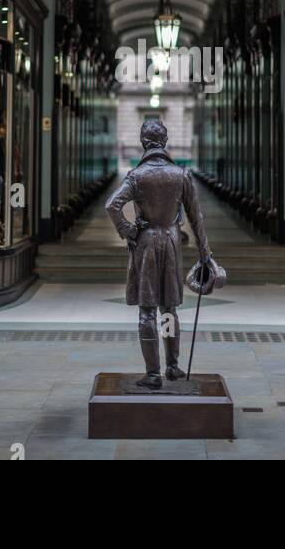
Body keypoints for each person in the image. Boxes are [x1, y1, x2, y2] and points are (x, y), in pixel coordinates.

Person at [104, 118, 213, 390]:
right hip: (173, 240)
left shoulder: (137, 176)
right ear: (165, 142)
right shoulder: (181, 175)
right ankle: (173, 366)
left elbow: (112, 205)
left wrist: (128, 231)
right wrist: (205, 253)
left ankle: (153, 373)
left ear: (143, 143)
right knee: (169, 308)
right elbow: (196, 217)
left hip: (147, 243)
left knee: (146, 310)